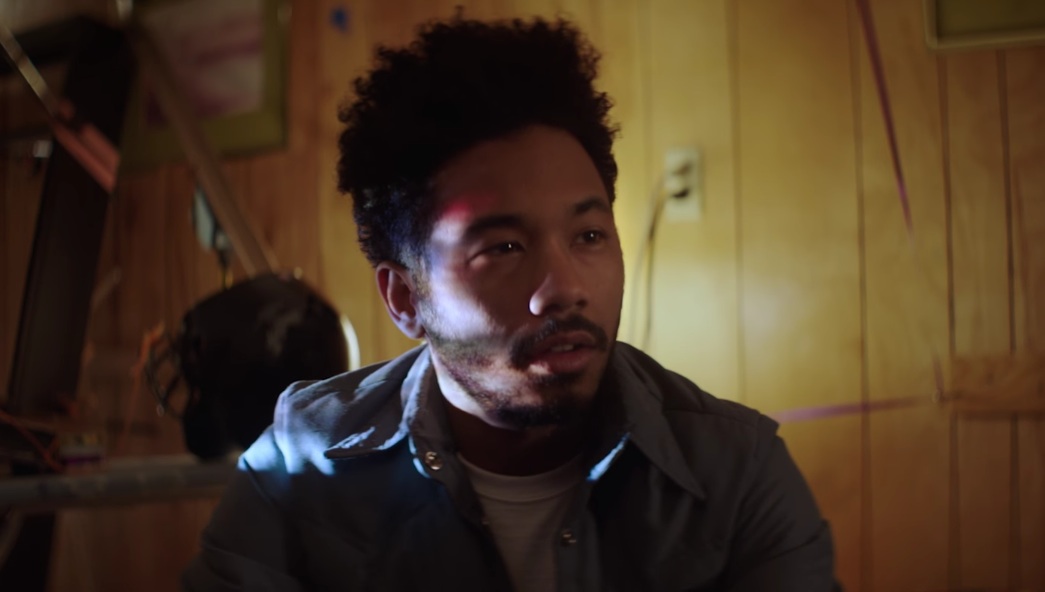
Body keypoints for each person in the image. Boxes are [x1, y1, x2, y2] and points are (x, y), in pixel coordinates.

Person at [183, 15, 839, 592]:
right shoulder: (299, 469)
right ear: (405, 297)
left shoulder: (735, 473)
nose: (565, 287)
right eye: (502, 247)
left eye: (588, 236)